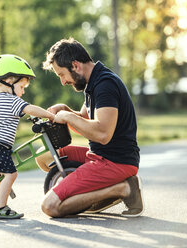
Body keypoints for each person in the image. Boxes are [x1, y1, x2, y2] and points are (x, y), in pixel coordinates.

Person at [38, 38, 144, 218]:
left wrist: (69, 117)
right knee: (43, 155)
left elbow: (103, 134)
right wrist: (65, 110)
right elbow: (86, 121)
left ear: (75, 65)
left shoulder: (105, 85)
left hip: (115, 162)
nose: (63, 82)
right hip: (98, 156)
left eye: (62, 75)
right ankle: (88, 190)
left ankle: (123, 188)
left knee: (50, 207)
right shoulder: (92, 83)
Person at [0, 54, 55, 219]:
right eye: (22, 87)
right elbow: (31, 109)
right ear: (9, 80)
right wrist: (50, 116)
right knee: (11, 174)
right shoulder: (12, 101)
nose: (22, 92)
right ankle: (1, 208)